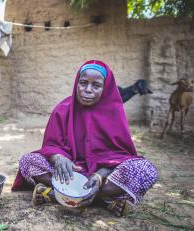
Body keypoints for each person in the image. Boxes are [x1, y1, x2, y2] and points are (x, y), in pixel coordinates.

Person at [11, 60, 159, 216]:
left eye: (96, 85)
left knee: (146, 170)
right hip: (70, 174)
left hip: (103, 177)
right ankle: (103, 200)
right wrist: (57, 157)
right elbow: (51, 145)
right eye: (83, 83)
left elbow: (121, 155)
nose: (87, 90)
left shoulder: (114, 112)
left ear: (105, 88)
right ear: (77, 83)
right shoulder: (63, 109)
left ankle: (57, 195)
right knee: (28, 160)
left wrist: (100, 175)